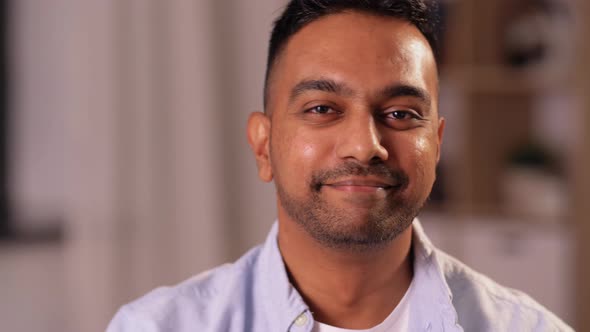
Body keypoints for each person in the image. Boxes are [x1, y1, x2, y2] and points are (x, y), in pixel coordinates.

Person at [107, 0, 573, 331]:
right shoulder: (157, 326)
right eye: (322, 109)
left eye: (400, 114)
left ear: (436, 144)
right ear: (263, 146)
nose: (364, 146)